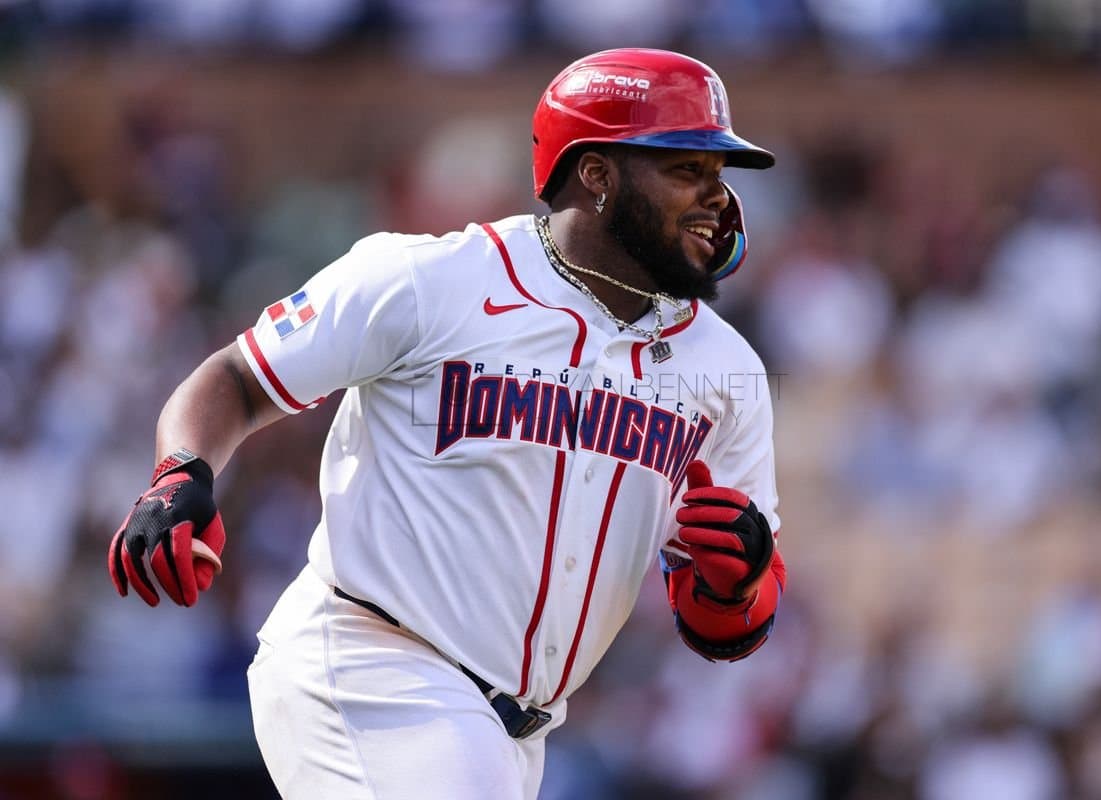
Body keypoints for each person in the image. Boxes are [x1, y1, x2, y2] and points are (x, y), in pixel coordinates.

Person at [107, 48, 788, 799]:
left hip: (513, 732)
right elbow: (236, 376)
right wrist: (181, 472)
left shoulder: (724, 371)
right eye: (686, 170)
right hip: (372, 669)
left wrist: (738, 583)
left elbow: (729, 621)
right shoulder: (434, 281)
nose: (716, 199)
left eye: (718, 175)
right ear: (596, 175)